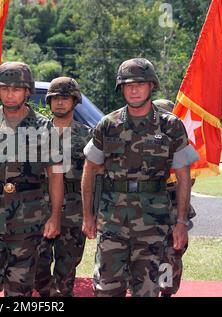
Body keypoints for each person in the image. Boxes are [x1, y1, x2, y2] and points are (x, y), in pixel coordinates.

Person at [81, 58, 199, 297]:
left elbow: (184, 176)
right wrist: (87, 216)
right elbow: (90, 169)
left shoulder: (171, 126)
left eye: (140, 84)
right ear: (121, 89)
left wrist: (181, 222)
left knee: (146, 289)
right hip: (112, 221)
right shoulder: (108, 124)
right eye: (127, 85)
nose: (133, 89)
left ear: (151, 86)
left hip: (153, 222)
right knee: (106, 288)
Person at [0, 61, 64, 297]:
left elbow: (56, 176)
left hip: (28, 220)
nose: (10, 94)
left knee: (20, 289)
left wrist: (55, 217)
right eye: (4, 88)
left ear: (27, 91)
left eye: (16, 89)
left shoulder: (46, 128)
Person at [34, 77, 93, 297]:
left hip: (74, 209)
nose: (60, 103)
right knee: (36, 264)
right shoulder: (35, 133)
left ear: (75, 101)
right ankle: (47, 293)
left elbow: (95, 176)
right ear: (49, 101)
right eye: (56, 98)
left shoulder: (88, 135)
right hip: (38, 207)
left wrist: (92, 213)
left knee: (66, 269)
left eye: (65, 98)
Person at [152, 98, 197, 297]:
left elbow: (190, 178)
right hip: (147, 207)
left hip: (173, 206)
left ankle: (166, 292)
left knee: (170, 255)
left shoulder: (181, 141)